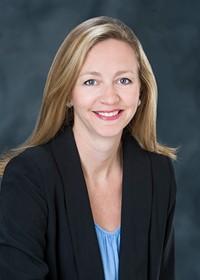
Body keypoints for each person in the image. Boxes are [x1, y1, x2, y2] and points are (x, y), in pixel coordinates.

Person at [0, 16, 178, 280]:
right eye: (91, 81)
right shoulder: (28, 178)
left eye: (124, 80)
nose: (110, 97)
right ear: (68, 94)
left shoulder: (158, 174)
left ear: (141, 92)